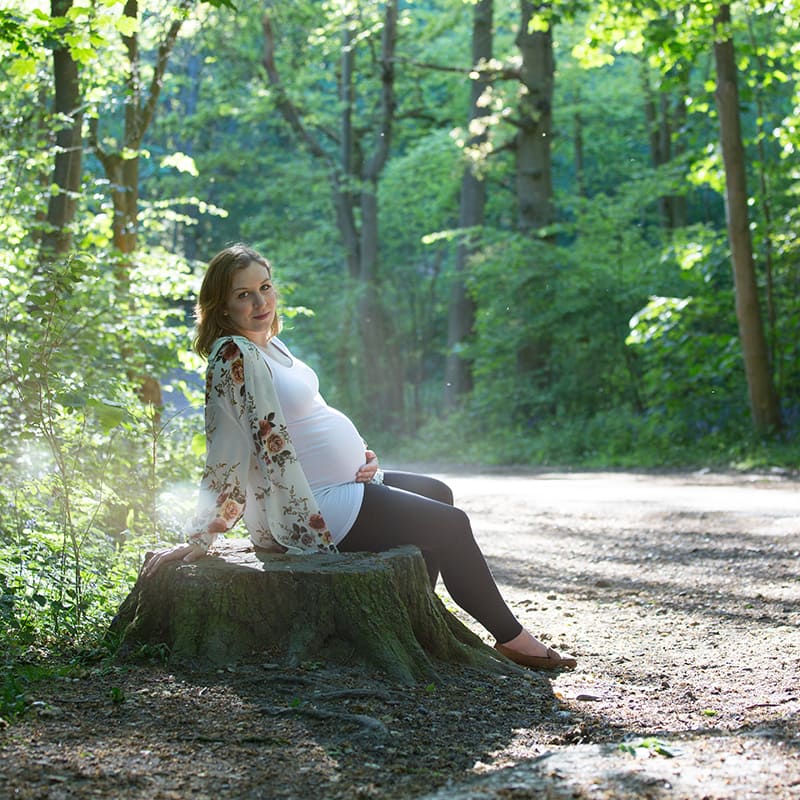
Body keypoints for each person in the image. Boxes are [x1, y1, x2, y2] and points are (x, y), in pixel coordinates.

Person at [144, 244, 577, 671]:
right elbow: (227, 447)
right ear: (221, 306)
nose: (260, 301)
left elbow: (309, 415)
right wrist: (203, 533)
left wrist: (361, 453)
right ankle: (512, 639)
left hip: (343, 483)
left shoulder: (272, 346)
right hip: (314, 503)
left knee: (438, 491)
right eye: (244, 294)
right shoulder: (232, 355)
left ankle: (412, 618)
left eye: (266, 287)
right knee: (451, 525)